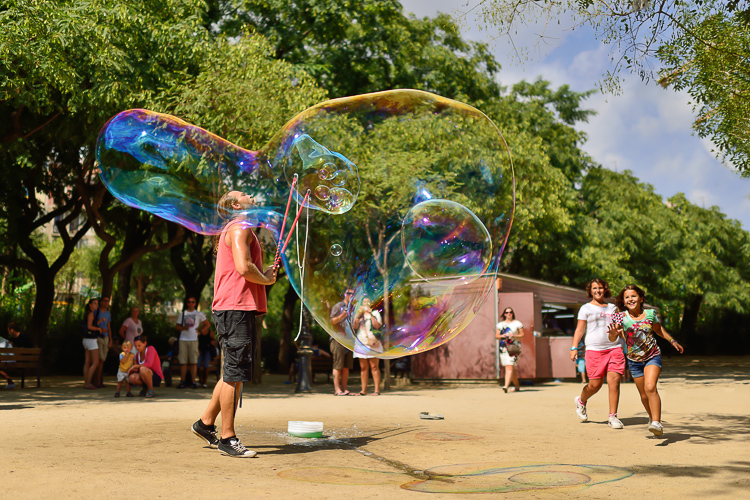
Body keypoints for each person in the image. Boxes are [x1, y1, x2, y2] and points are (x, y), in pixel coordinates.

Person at [191, 190, 276, 458]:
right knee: (234, 374)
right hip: (234, 307)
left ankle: (205, 424)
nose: (252, 194)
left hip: (234, 307)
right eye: (244, 193)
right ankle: (227, 438)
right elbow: (243, 267)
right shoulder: (240, 226)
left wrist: (263, 276)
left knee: (232, 372)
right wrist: (266, 279)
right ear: (236, 205)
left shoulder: (238, 227)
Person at [608, 284, 684, 436]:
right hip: (634, 360)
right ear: (623, 301)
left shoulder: (650, 314)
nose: (630, 299)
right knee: (643, 395)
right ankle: (652, 418)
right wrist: (613, 333)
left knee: (650, 388)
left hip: (652, 356)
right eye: (627, 297)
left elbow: (658, 329)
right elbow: (612, 338)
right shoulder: (620, 316)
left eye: (633, 296)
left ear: (641, 298)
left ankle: (657, 422)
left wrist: (672, 340)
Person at [570, 278, 626, 429]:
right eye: (594, 288)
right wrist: (574, 347)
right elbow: (580, 329)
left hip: (614, 347)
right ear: (590, 291)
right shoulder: (585, 308)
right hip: (594, 350)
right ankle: (581, 401)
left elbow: (619, 328)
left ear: (605, 289)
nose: (598, 291)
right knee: (595, 385)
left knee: (614, 381)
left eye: (600, 288)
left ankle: (613, 417)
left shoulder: (614, 308)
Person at [352, 297, 383, 396]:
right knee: (363, 367)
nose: (366, 303)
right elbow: (355, 327)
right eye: (364, 302)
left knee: (374, 367)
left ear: (371, 303)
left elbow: (377, 326)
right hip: (361, 342)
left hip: (372, 343)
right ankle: (363, 390)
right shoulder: (359, 315)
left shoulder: (375, 313)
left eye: (368, 301)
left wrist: (370, 314)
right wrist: (358, 316)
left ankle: (377, 390)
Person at [175, 296, 208, 389]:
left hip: (194, 339)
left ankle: (193, 382)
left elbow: (207, 324)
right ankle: (183, 381)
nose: (191, 303)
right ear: (187, 303)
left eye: (192, 302)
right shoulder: (182, 314)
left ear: (195, 303)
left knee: (193, 362)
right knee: (183, 362)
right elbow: (177, 327)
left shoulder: (198, 314)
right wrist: (183, 328)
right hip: (183, 339)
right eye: (189, 301)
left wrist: (201, 332)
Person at [329, 288, 355, 396]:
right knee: (338, 365)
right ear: (345, 294)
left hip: (349, 340)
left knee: (346, 366)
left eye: (353, 294)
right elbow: (332, 321)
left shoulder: (353, 308)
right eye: (349, 293)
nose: (351, 296)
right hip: (338, 339)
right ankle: (337, 390)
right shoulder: (338, 306)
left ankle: (344, 389)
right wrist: (342, 316)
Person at [495, 307, 525, 393]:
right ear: (504, 314)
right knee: (510, 367)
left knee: (509, 365)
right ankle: (517, 386)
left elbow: (522, 335)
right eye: (507, 312)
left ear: (513, 313)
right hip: (504, 348)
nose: (509, 314)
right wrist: (502, 336)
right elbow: (496, 336)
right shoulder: (500, 325)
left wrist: (514, 336)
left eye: (510, 312)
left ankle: (506, 386)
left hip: (514, 347)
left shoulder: (517, 323)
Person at [1, 322, 32, 389]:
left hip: (21, 361)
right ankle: (10, 382)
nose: (9, 333)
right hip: (26, 360)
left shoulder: (21, 338)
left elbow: (20, 350)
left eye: (9, 331)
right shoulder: (22, 337)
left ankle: (10, 382)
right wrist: (13, 345)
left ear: (12, 330)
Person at [81, 298, 104, 390]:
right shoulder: (90, 314)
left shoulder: (88, 314)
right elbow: (90, 326)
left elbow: (90, 324)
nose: (96, 305)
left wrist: (98, 322)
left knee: (87, 361)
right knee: (96, 362)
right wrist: (98, 329)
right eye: (94, 303)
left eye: (97, 304)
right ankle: (88, 383)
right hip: (91, 340)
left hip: (86, 340)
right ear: (90, 304)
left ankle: (86, 382)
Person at [94, 296, 112, 388]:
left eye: (107, 301)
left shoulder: (108, 314)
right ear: (101, 302)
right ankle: (96, 380)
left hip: (106, 338)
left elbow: (109, 327)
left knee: (102, 360)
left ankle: (99, 380)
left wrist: (110, 339)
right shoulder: (96, 312)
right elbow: (92, 323)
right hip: (98, 337)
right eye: (104, 301)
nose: (106, 303)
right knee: (100, 359)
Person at [197, 323, 217, 388]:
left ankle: (205, 382)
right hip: (200, 350)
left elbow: (214, 341)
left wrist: (212, 343)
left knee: (206, 365)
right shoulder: (199, 332)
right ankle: (200, 380)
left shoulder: (210, 332)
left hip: (208, 350)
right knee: (198, 365)